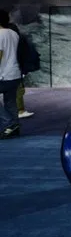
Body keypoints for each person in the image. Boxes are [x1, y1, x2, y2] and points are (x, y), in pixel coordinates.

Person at [0, 9, 22, 139]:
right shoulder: (14, 34)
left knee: (10, 101)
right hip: (15, 74)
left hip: (3, 75)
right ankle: (14, 127)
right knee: (10, 101)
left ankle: (9, 123)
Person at [7, 22, 34, 119]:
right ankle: (20, 110)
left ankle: (18, 111)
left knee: (14, 92)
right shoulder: (18, 38)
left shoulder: (10, 38)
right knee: (17, 90)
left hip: (11, 70)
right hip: (14, 70)